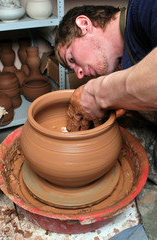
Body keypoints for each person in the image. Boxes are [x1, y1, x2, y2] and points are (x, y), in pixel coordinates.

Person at [55, 1, 157, 239]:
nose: (79, 74)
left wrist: (97, 93)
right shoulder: (124, 66)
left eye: (71, 58)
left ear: (84, 24)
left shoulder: (144, 7)